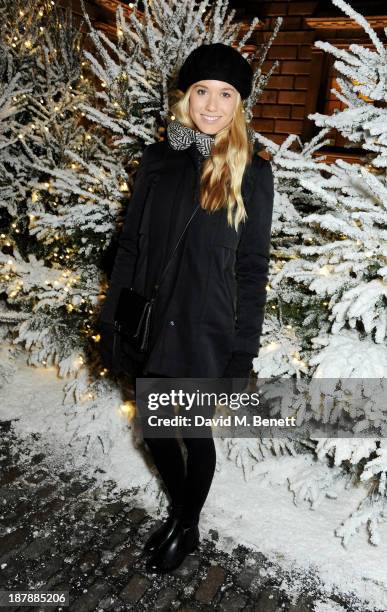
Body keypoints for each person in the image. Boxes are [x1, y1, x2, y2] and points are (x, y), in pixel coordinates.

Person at [97, 42, 274, 573]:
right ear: (185, 96)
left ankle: (187, 525)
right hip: (152, 320)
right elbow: (130, 246)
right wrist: (113, 321)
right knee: (153, 427)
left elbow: (252, 270)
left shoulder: (254, 172)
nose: (212, 105)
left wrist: (240, 355)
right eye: (202, 91)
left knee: (193, 435)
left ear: (239, 104)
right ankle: (181, 511)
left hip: (205, 330)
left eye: (226, 94)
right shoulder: (157, 160)